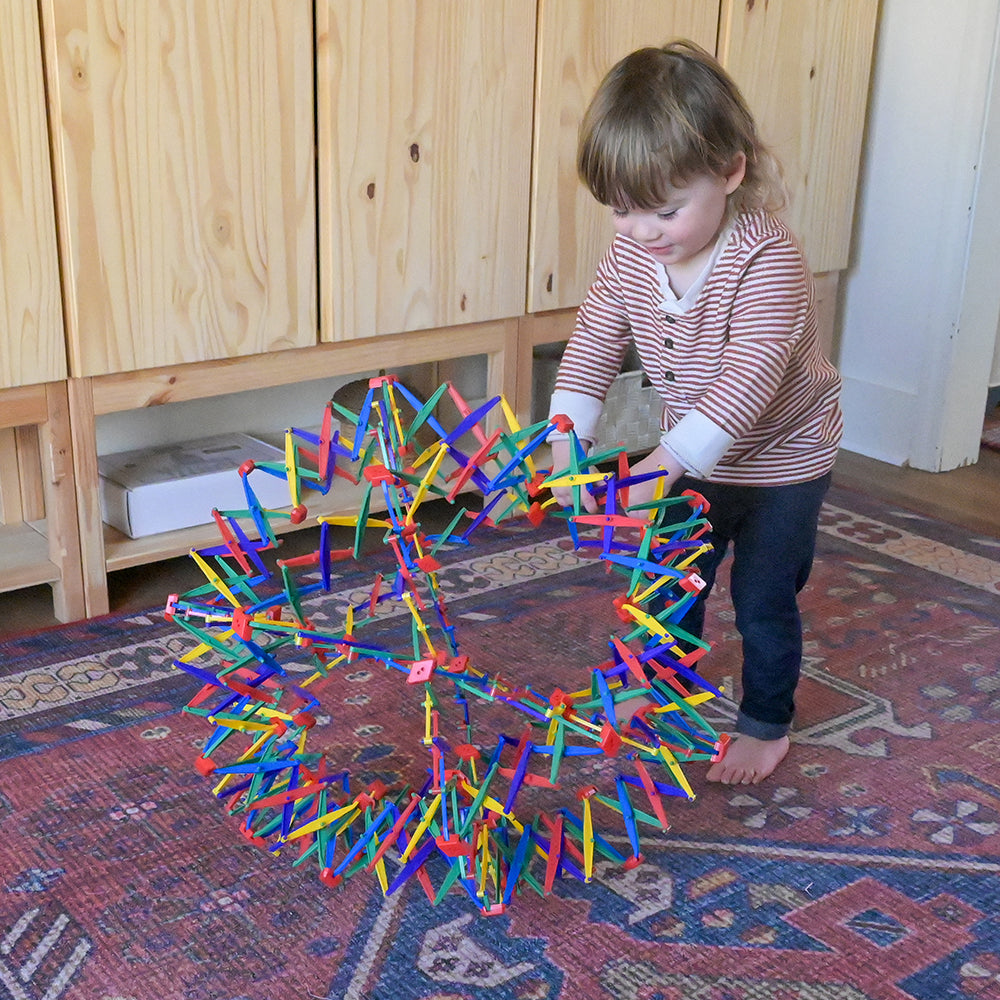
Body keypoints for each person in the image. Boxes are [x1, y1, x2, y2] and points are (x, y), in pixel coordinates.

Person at [547, 40, 843, 786]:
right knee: (670, 579)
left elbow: (746, 381)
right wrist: (563, 445)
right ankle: (658, 688)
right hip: (692, 450)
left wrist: (660, 467)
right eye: (622, 212)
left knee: (763, 598)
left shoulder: (768, 259)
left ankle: (766, 722)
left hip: (783, 462)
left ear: (731, 171)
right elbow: (592, 340)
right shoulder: (631, 257)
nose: (642, 231)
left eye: (665, 211)